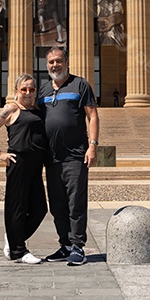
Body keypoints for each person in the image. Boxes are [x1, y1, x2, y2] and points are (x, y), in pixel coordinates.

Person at [37, 46, 98, 266]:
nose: (55, 65)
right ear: (47, 65)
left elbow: (92, 116)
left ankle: (78, 246)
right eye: (51, 62)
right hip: (51, 158)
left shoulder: (80, 84)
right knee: (57, 205)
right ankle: (64, 245)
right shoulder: (43, 90)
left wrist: (92, 146)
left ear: (67, 61)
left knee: (75, 203)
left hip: (75, 156)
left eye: (59, 61)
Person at [0, 74, 48, 265]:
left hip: (36, 164)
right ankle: (18, 250)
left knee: (40, 209)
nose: (28, 93)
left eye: (31, 89)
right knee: (17, 208)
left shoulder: (37, 110)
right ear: (17, 91)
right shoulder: (11, 108)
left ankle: (13, 238)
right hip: (18, 162)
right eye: (24, 89)